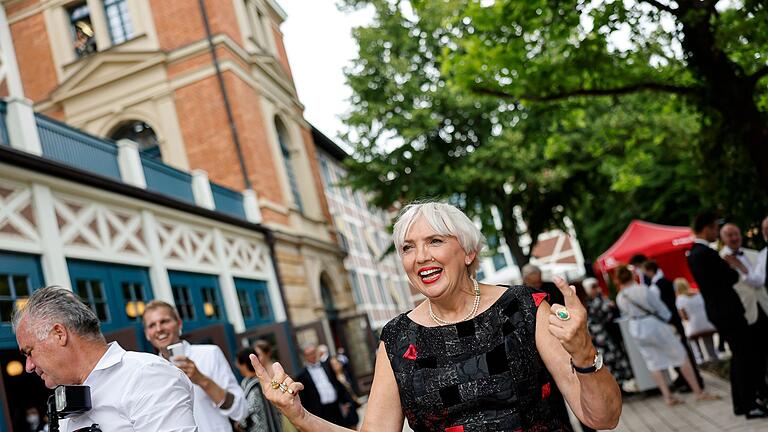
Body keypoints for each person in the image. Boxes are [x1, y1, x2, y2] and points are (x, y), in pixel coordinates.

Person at [249, 201, 622, 431]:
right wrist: (300, 416)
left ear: (469, 252)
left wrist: (585, 355)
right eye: (408, 248)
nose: (420, 257)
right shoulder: (396, 339)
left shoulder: (523, 307)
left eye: (435, 241)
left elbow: (602, 418)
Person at [12, 286, 197, 431]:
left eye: (29, 352)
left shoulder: (146, 375)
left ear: (59, 334)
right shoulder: (68, 400)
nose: (28, 366)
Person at [687, 211, 768, 418]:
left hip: (724, 312)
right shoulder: (705, 253)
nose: (716, 232)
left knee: (739, 357)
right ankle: (749, 403)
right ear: (706, 229)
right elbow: (730, 276)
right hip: (729, 312)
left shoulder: (697, 253)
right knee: (744, 357)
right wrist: (733, 268)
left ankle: (742, 403)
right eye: (715, 228)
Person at [615, 266, 718, 406]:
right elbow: (661, 308)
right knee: (681, 356)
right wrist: (670, 321)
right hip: (654, 325)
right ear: (632, 275)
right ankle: (698, 392)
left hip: (637, 328)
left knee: (653, 363)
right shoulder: (643, 289)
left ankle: (667, 396)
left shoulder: (620, 297)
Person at [143, 300, 248, 431]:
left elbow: (241, 410)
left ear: (179, 323)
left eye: (164, 321)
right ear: (147, 334)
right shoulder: (149, 370)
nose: (159, 329)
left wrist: (202, 380)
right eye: (152, 325)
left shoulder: (210, 354)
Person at [720, 223, 768, 400]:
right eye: (729, 235)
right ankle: (759, 393)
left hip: (763, 308)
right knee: (753, 356)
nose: (733, 238)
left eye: (736, 234)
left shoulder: (755, 254)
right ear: (723, 238)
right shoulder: (720, 260)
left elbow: (760, 281)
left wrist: (741, 267)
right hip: (744, 314)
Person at [643, 260, 704, 390]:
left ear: (650, 271)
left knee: (678, 353)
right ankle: (693, 379)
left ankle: (689, 381)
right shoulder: (668, 282)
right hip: (676, 320)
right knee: (684, 351)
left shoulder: (655, 287)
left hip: (668, 323)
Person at [580, 278, 633, 388]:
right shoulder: (588, 302)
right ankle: (616, 384)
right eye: (593, 287)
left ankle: (622, 383)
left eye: (596, 286)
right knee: (606, 360)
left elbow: (607, 313)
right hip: (598, 337)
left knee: (614, 358)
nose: (596, 289)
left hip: (605, 335)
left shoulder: (599, 300)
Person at [294, 342, 355, 425]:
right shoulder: (302, 376)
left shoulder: (327, 366)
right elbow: (304, 399)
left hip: (336, 407)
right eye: (309, 354)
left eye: (313, 352)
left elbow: (337, 383)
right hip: (320, 412)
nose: (312, 356)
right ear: (304, 356)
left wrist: (345, 402)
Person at [235, 347, 282, 432]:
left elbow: (248, 410)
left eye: (238, 363)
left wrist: (240, 424)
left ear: (243, 365)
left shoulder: (249, 384)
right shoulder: (266, 380)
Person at [673, 278, 718, 363]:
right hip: (706, 322)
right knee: (708, 340)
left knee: (694, 342)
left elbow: (684, 317)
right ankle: (713, 357)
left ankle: (700, 359)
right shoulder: (698, 293)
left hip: (693, 325)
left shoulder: (680, 299)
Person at [329, 355, 361, 429]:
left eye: (336, 363)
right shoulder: (333, 380)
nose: (335, 366)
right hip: (343, 408)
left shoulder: (346, 374)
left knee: (355, 425)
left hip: (352, 404)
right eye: (333, 365)